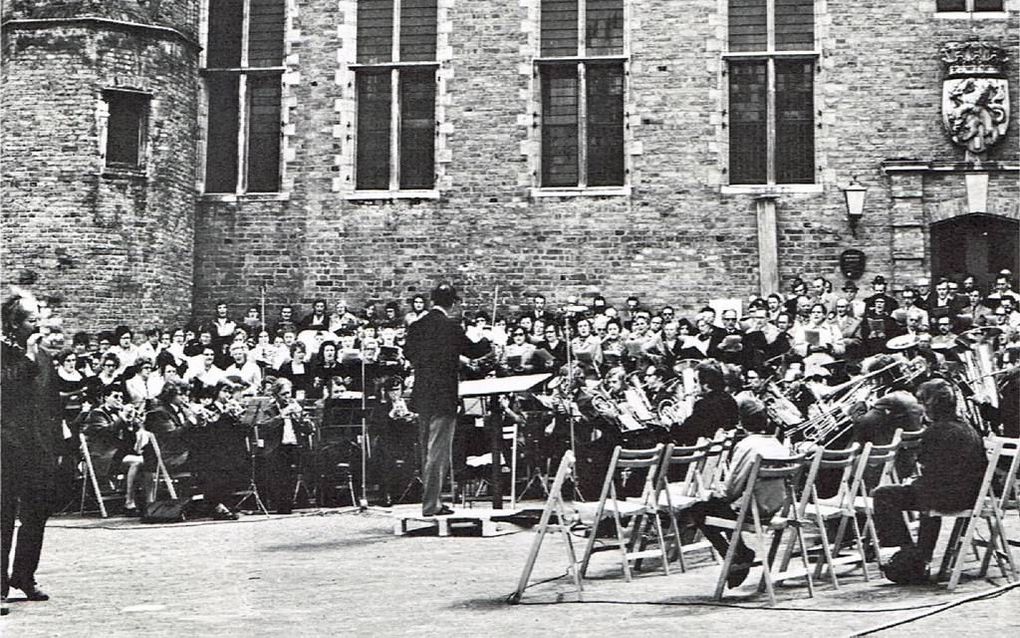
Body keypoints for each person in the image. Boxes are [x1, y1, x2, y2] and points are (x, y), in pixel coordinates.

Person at [872, 379, 987, 578]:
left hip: (951, 496)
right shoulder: (967, 425)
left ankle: (910, 553)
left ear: (930, 405)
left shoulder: (937, 431)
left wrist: (913, 482)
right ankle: (919, 555)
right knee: (922, 493)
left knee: (884, 495)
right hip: (971, 493)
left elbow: (931, 473)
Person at [682, 397, 792, 588]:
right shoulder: (777, 443)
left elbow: (731, 491)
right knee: (714, 507)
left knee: (698, 510)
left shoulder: (746, 446)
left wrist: (710, 494)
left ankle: (733, 557)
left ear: (741, 423)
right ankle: (740, 554)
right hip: (775, 506)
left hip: (754, 510)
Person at [403, 283, 491, 517]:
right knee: (438, 453)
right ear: (453, 303)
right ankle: (431, 505)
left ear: (431, 301)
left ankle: (431, 501)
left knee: (426, 451)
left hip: (422, 395)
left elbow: (407, 353)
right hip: (443, 396)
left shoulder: (417, 325)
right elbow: (474, 351)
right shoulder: (451, 327)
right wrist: (486, 338)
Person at [2, 289, 61, 602]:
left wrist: (58, 447)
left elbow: (53, 405)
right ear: (14, 324)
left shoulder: (44, 356)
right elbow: (4, 388)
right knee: (3, 517)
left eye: (39, 319)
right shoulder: (4, 352)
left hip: (38, 447)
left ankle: (23, 576)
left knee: (36, 515)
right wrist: (26, 357)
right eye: (31, 320)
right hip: (7, 448)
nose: (37, 325)